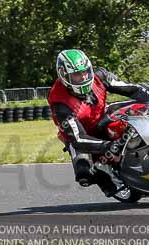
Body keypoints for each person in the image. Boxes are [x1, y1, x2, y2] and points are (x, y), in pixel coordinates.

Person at [48, 49, 141, 196]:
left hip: (103, 118)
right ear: (64, 75)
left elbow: (129, 88)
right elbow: (78, 139)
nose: (84, 77)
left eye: (85, 71)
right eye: (77, 74)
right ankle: (104, 179)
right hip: (80, 135)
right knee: (84, 174)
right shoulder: (59, 101)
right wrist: (109, 146)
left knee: (136, 120)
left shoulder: (100, 76)